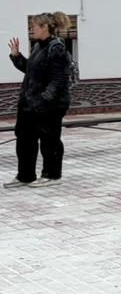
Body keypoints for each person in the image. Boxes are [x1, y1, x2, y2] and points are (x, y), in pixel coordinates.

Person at [6, 13, 74, 189]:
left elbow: (59, 79)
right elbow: (31, 71)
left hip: (48, 105)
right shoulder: (38, 46)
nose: (32, 29)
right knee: (24, 140)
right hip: (30, 103)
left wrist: (44, 100)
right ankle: (25, 176)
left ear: (45, 27)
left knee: (49, 140)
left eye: (35, 26)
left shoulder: (56, 48)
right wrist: (16, 56)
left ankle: (51, 175)